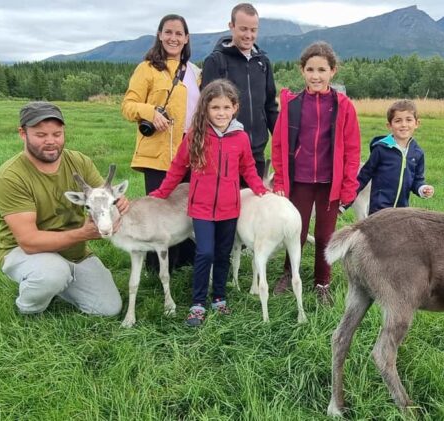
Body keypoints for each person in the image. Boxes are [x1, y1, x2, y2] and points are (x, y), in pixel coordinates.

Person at [149, 79, 269, 327]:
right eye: (215, 108)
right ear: (205, 108)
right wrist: (161, 192)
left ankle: (219, 298)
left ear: (235, 107)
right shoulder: (195, 135)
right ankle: (198, 303)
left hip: (229, 208)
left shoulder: (241, 137)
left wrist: (260, 189)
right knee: (205, 253)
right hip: (201, 208)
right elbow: (178, 166)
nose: (221, 113)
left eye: (226, 107)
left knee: (223, 254)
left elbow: (247, 168)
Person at [0, 101, 127, 316]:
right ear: (22, 133)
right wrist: (83, 233)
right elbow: (28, 241)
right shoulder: (11, 177)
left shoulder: (79, 162)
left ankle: (58, 282)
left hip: (73, 251)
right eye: (41, 135)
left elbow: (103, 195)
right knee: (52, 273)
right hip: (21, 251)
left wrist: (118, 203)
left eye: (57, 134)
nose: (51, 141)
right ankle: (28, 308)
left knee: (109, 308)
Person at [270, 41, 361, 306]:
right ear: (302, 71)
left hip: (328, 184)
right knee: (294, 231)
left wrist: (348, 187)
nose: (316, 75)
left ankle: (322, 282)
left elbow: (352, 150)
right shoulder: (292, 104)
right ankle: (290, 273)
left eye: (322, 69)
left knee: (325, 235)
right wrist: (279, 180)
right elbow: (278, 145)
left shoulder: (343, 106)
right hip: (298, 182)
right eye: (310, 69)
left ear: (333, 71)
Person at [121, 14, 200, 271]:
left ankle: (185, 257)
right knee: (159, 207)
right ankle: (157, 266)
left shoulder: (194, 72)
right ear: (159, 34)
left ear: (186, 38)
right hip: (158, 153)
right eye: (168, 32)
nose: (173, 38)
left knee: (186, 206)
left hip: (189, 151)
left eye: (179, 34)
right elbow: (128, 106)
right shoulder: (147, 68)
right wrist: (150, 112)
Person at [201, 3, 279, 179]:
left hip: (256, 155)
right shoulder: (215, 62)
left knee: (254, 205)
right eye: (243, 29)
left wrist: (283, 140)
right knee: (226, 206)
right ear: (231, 26)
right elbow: (206, 109)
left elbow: (270, 107)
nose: (249, 35)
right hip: (224, 154)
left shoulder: (263, 63)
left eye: (253, 30)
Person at [355, 100, 435, 215]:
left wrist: (422, 189)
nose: (403, 124)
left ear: (417, 123)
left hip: (401, 212)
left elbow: (417, 180)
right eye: (398, 120)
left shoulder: (417, 153)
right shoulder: (380, 149)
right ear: (389, 125)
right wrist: (346, 202)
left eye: (408, 120)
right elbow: (364, 175)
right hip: (379, 210)